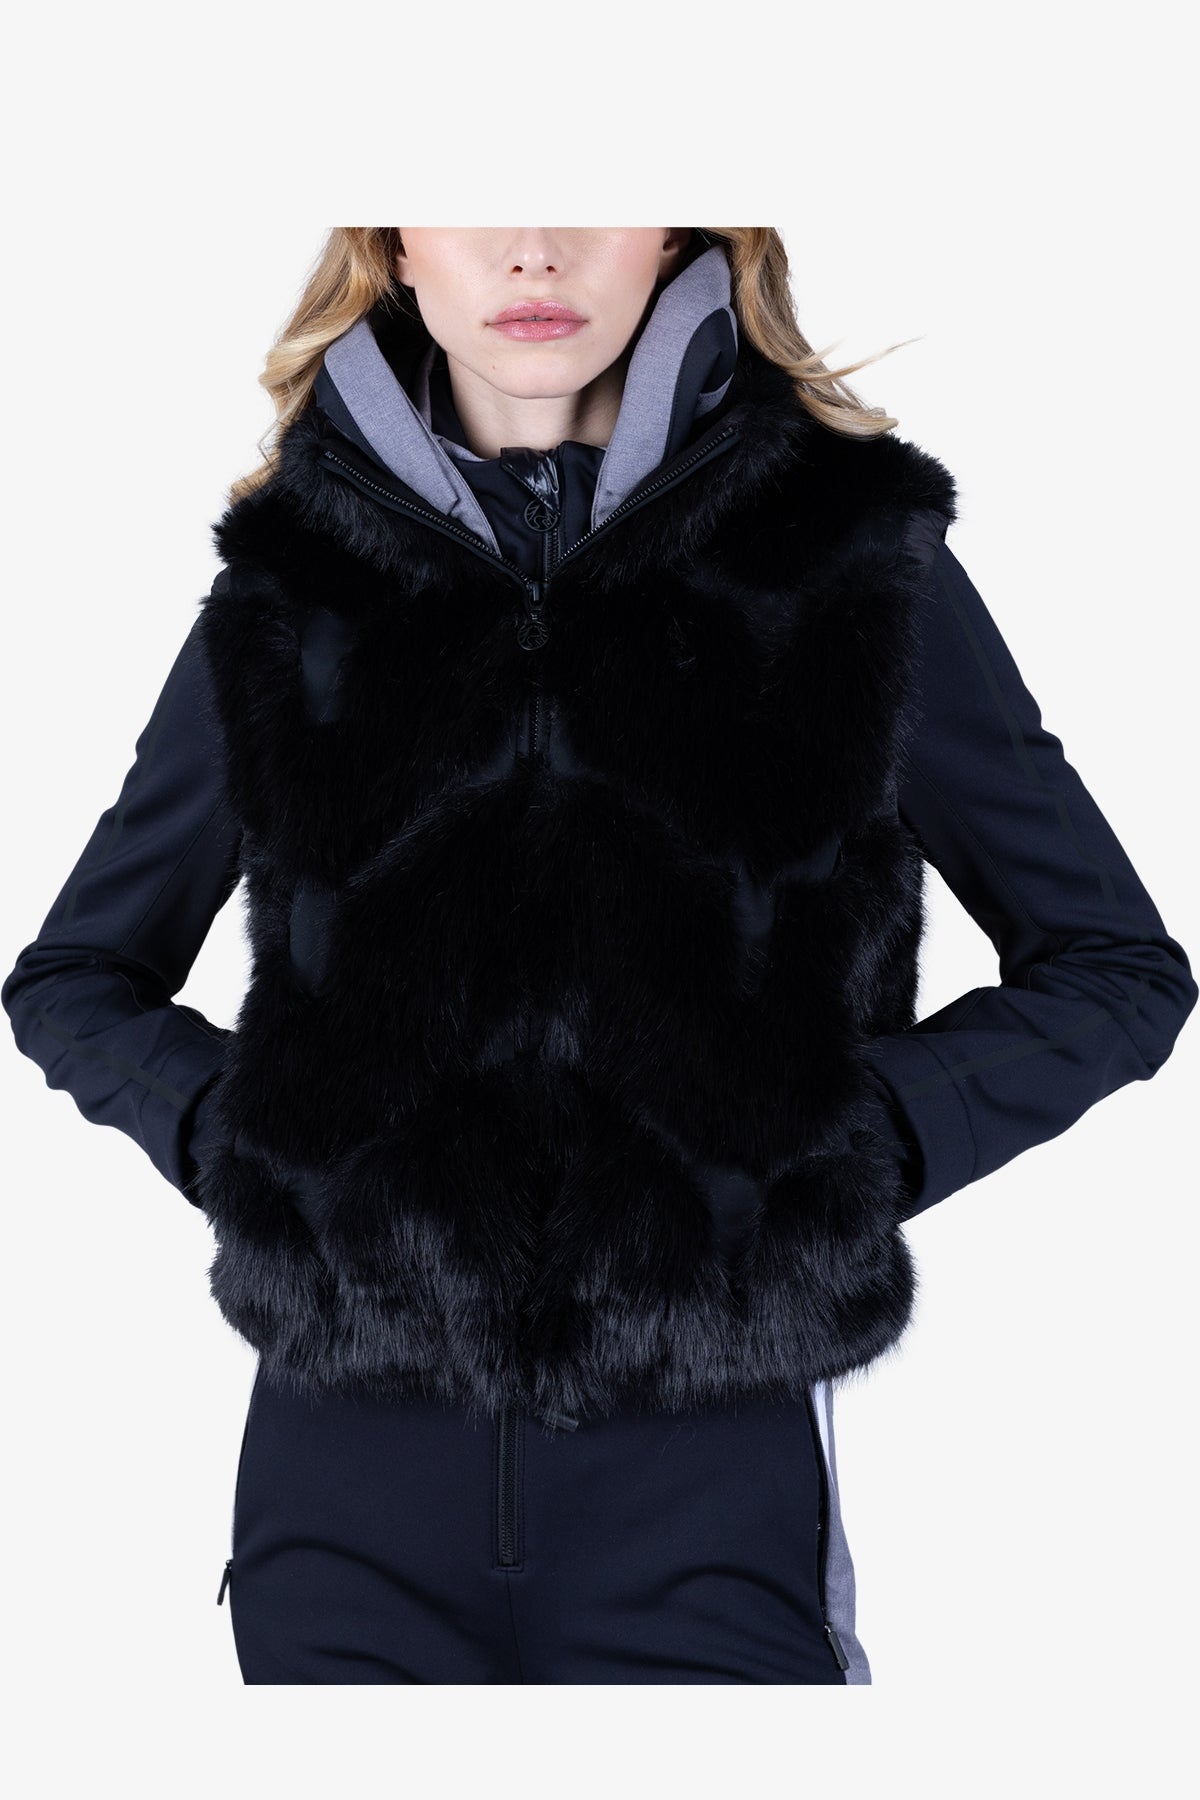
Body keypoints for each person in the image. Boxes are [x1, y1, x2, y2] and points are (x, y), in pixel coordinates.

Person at [3, 227, 1195, 1686]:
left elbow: (1114, 969)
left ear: (684, 227)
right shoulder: (299, 583)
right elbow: (77, 978)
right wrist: (256, 1150)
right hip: (345, 1494)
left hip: (705, 1480)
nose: (534, 248)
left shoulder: (846, 565)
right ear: (393, 243)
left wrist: (846, 1148)